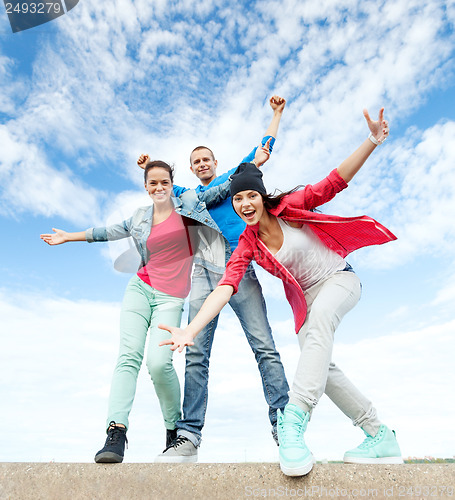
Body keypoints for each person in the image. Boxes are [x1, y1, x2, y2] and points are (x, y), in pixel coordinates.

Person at [159, 108, 404, 476]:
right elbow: (226, 286)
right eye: (238, 199)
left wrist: (372, 140)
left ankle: (292, 423)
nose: (244, 204)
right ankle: (379, 434)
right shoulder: (247, 242)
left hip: (340, 280)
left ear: (261, 197)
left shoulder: (291, 206)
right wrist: (191, 330)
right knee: (320, 364)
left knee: (319, 328)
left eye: (250, 197)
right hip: (308, 300)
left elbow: (333, 182)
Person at [40, 158, 242, 463]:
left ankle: (174, 431)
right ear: (146, 187)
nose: (159, 187)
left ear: (172, 185)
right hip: (140, 289)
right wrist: (69, 236)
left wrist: (253, 162)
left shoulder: (189, 203)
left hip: (171, 297)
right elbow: (108, 232)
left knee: (159, 363)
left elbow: (220, 190)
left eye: (164, 182)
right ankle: (116, 432)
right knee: (127, 358)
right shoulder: (139, 217)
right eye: (153, 183)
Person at [138, 96, 290, 463]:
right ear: (191, 169)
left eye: (206, 159)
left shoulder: (232, 179)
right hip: (203, 269)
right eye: (196, 162)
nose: (202, 163)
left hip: (238, 264)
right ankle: (188, 436)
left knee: (263, 345)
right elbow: (159, 188)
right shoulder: (185, 195)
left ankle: (285, 425)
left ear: (215, 163)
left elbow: (262, 151)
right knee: (195, 352)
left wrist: (276, 115)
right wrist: (145, 167)